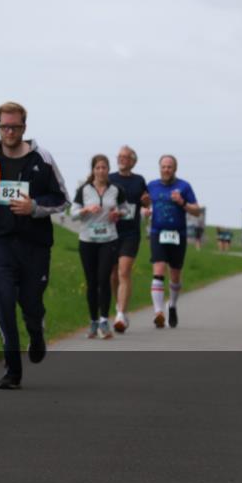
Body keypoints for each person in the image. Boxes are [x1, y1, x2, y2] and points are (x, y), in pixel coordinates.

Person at [0, 102, 69, 389]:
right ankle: (12, 370)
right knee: (4, 304)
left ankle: (36, 331)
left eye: (15, 127)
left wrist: (34, 206)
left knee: (31, 304)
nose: (9, 132)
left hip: (35, 245)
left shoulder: (41, 158)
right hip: (1, 244)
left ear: (24, 127)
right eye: (4, 126)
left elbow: (62, 199)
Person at [72, 155, 129, 339]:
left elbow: (127, 210)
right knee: (92, 283)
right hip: (87, 240)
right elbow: (72, 213)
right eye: (98, 168)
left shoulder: (116, 190)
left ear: (108, 169)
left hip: (109, 239)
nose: (101, 171)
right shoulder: (84, 190)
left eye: (104, 167)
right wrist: (86, 210)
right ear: (93, 170)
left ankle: (104, 321)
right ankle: (93, 321)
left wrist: (118, 213)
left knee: (104, 279)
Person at [143, 155, 200, 329]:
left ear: (175, 169)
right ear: (159, 168)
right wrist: (145, 210)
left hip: (178, 234)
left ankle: (172, 306)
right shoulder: (152, 185)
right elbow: (143, 203)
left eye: (169, 167)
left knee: (175, 275)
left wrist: (182, 203)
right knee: (158, 270)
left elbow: (196, 210)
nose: (166, 169)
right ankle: (158, 312)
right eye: (164, 166)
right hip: (157, 233)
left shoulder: (184, 186)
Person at [107, 145, 150, 333]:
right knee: (113, 275)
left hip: (131, 233)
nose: (122, 159)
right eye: (120, 156)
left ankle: (120, 315)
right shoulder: (110, 179)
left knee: (124, 272)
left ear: (133, 161)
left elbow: (145, 200)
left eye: (126, 157)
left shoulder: (139, 180)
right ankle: (119, 305)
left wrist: (147, 202)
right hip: (110, 232)